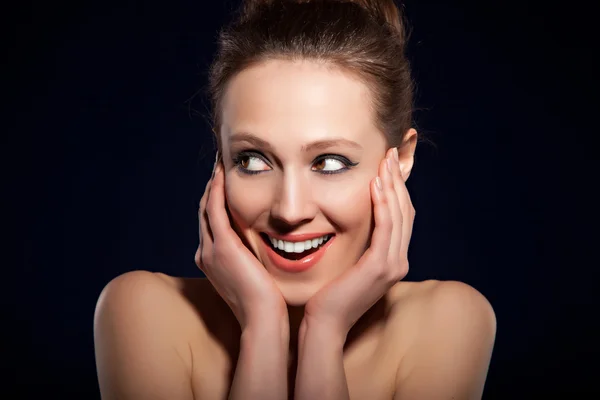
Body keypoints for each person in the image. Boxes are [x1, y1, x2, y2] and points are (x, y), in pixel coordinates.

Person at [93, 0, 497, 399]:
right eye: (252, 160)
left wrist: (324, 331)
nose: (290, 211)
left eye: (330, 162)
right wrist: (263, 329)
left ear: (401, 159)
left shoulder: (449, 321)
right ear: (221, 159)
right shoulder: (144, 313)